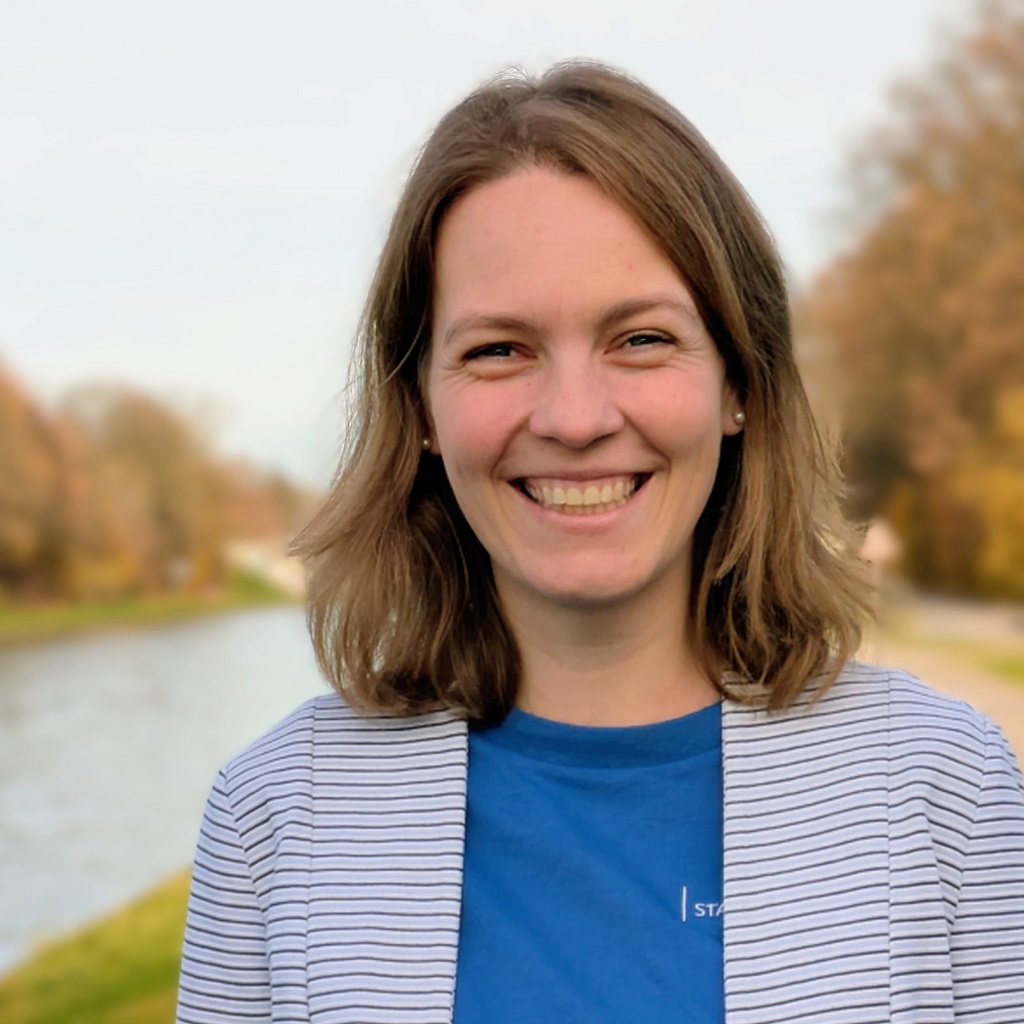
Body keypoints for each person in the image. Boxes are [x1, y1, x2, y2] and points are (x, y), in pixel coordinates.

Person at [175, 62, 1024, 1023]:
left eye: (642, 339)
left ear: (739, 382)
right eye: (499, 349)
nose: (575, 418)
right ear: (420, 405)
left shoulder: (943, 787)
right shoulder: (278, 816)